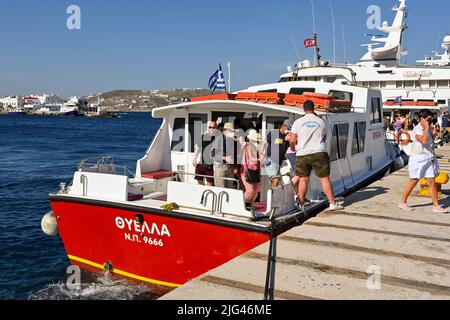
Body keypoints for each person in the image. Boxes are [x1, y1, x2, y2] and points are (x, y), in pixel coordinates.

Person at [290, 100, 344, 211]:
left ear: (303, 109)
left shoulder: (297, 122)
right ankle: (332, 204)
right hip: (319, 152)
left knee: (303, 180)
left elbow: (292, 140)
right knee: (324, 179)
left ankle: (300, 203)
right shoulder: (321, 122)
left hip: (303, 154)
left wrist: (293, 147)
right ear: (313, 108)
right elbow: (323, 138)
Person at [399, 109, 447, 213]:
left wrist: (433, 133)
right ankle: (403, 202)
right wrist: (426, 128)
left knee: (432, 182)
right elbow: (424, 141)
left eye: (431, 119)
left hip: (428, 158)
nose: (430, 121)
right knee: (413, 182)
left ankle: (436, 206)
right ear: (422, 119)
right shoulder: (417, 129)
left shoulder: (428, 127)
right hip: (418, 159)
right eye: (428, 119)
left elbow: (429, 141)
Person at [264, 119, 291, 188]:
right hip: (270, 159)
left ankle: (272, 196)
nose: (289, 130)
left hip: (278, 162)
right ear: (284, 126)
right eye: (288, 128)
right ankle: (271, 196)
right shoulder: (274, 133)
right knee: (275, 179)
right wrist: (261, 154)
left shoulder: (286, 137)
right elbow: (264, 142)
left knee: (276, 181)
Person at [213, 122, 240, 189]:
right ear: (225, 131)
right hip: (220, 167)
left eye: (233, 131)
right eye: (231, 131)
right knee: (221, 190)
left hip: (230, 167)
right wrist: (224, 158)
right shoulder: (218, 139)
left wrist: (235, 166)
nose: (233, 132)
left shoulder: (233, 140)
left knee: (229, 190)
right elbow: (212, 154)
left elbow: (235, 154)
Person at [241, 130, 263, 208]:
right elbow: (252, 159)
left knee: (256, 191)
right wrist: (261, 159)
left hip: (254, 170)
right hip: (247, 171)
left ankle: (250, 206)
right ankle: (241, 205)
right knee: (250, 190)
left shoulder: (254, 147)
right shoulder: (249, 146)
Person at [192, 121, 218, 186]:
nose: (211, 129)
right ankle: (200, 195)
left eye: (213, 127)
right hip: (201, 163)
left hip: (211, 165)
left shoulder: (218, 138)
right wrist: (194, 159)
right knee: (199, 183)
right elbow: (198, 148)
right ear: (208, 128)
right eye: (210, 127)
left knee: (210, 185)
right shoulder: (203, 137)